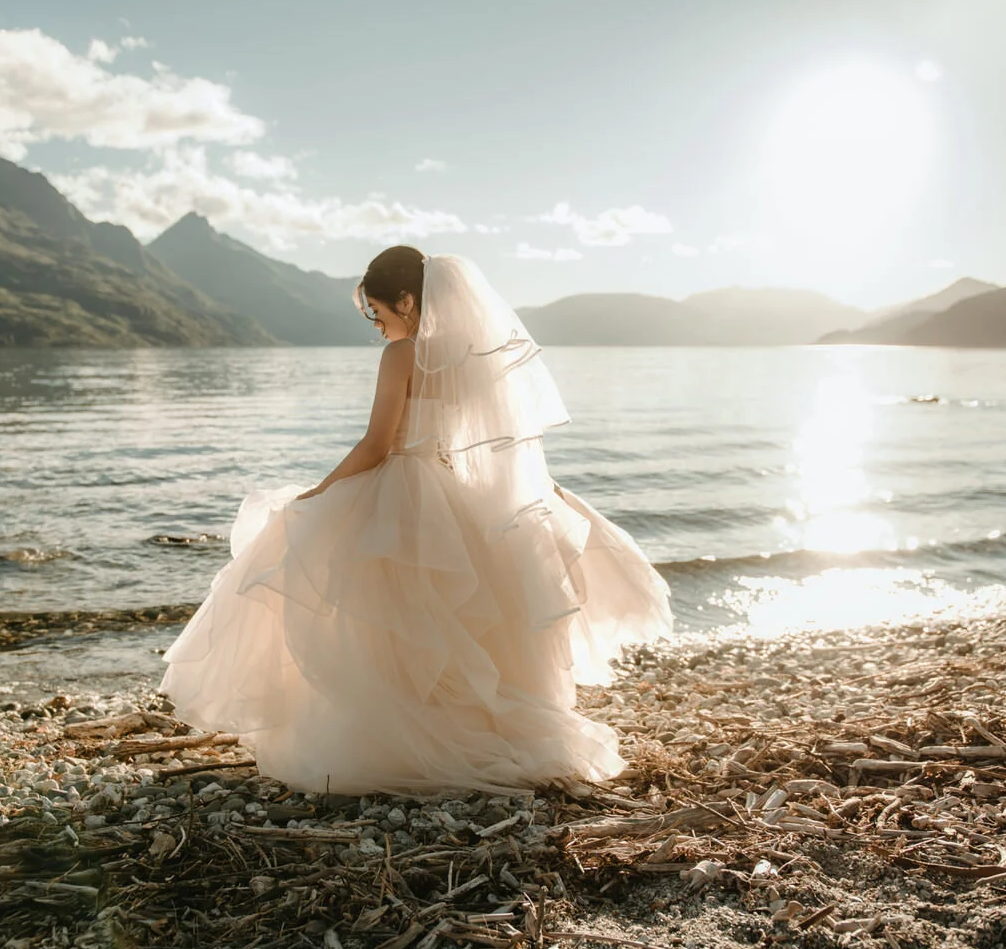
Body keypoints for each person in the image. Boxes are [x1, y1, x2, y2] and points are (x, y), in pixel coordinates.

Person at [158, 246, 672, 795]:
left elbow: (378, 445)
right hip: (453, 494)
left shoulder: (402, 356)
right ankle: (457, 730)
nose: (378, 327)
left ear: (406, 300)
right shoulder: (471, 358)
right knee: (444, 625)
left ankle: (399, 736)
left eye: (378, 313)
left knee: (377, 616)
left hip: (400, 491)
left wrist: (320, 491)